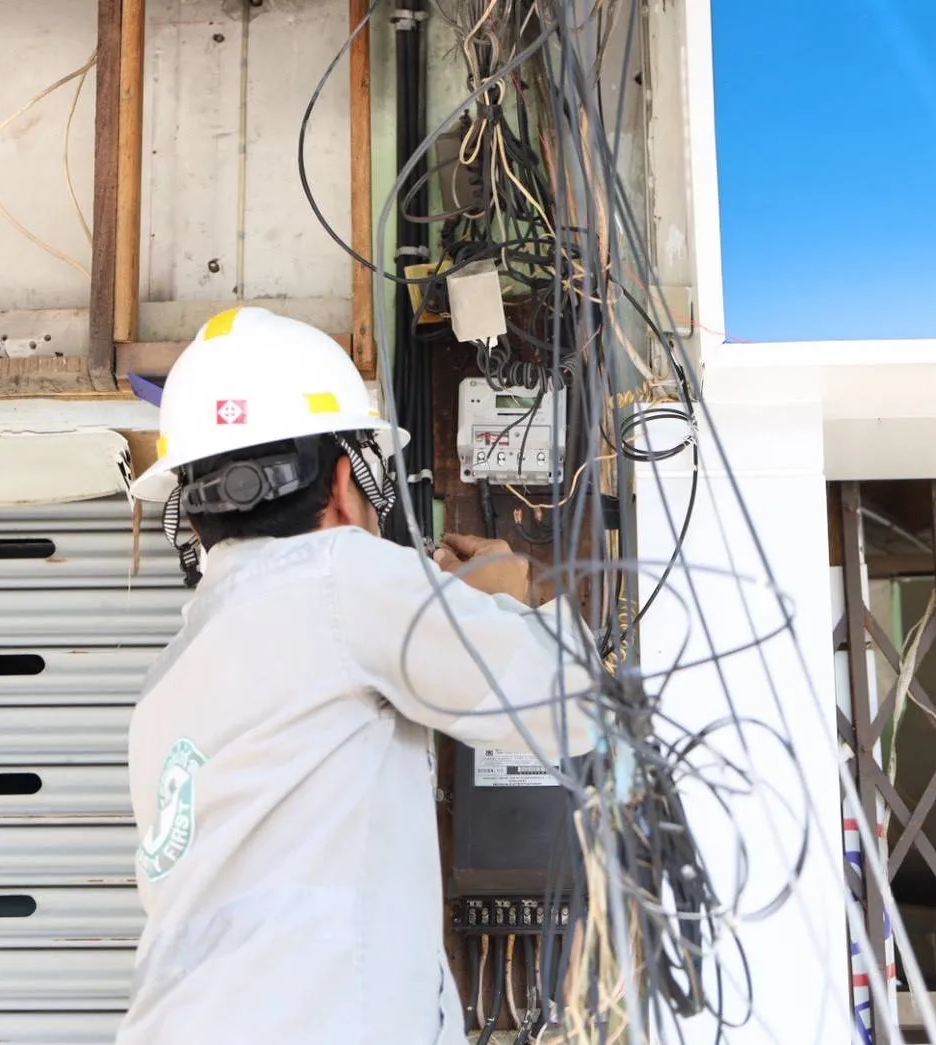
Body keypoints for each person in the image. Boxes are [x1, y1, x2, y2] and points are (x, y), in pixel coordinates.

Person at [117, 306, 598, 1044]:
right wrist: (509, 595)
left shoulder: (169, 680)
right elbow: (572, 706)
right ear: (347, 481)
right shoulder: (341, 574)